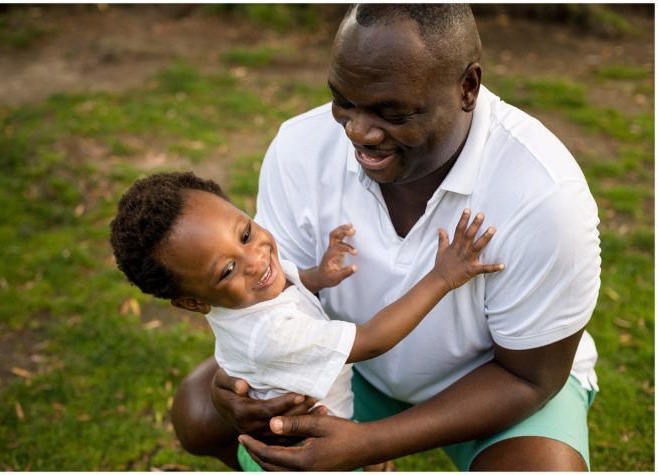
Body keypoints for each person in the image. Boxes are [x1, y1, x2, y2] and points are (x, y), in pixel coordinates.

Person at [170, 4, 602, 472]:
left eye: (390, 111)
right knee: (199, 411)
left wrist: (370, 443)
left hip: (491, 384)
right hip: (348, 367)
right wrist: (237, 386)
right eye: (343, 100)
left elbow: (530, 380)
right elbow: (271, 300)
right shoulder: (300, 148)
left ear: (468, 88)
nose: (357, 131)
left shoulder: (543, 195)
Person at [112, 172, 504, 469]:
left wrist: (319, 275)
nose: (257, 260)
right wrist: (442, 277)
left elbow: (287, 286)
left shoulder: (251, 290)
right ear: (193, 302)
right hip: (308, 458)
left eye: (245, 233)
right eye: (228, 268)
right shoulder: (274, 333)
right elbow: (372, 340)